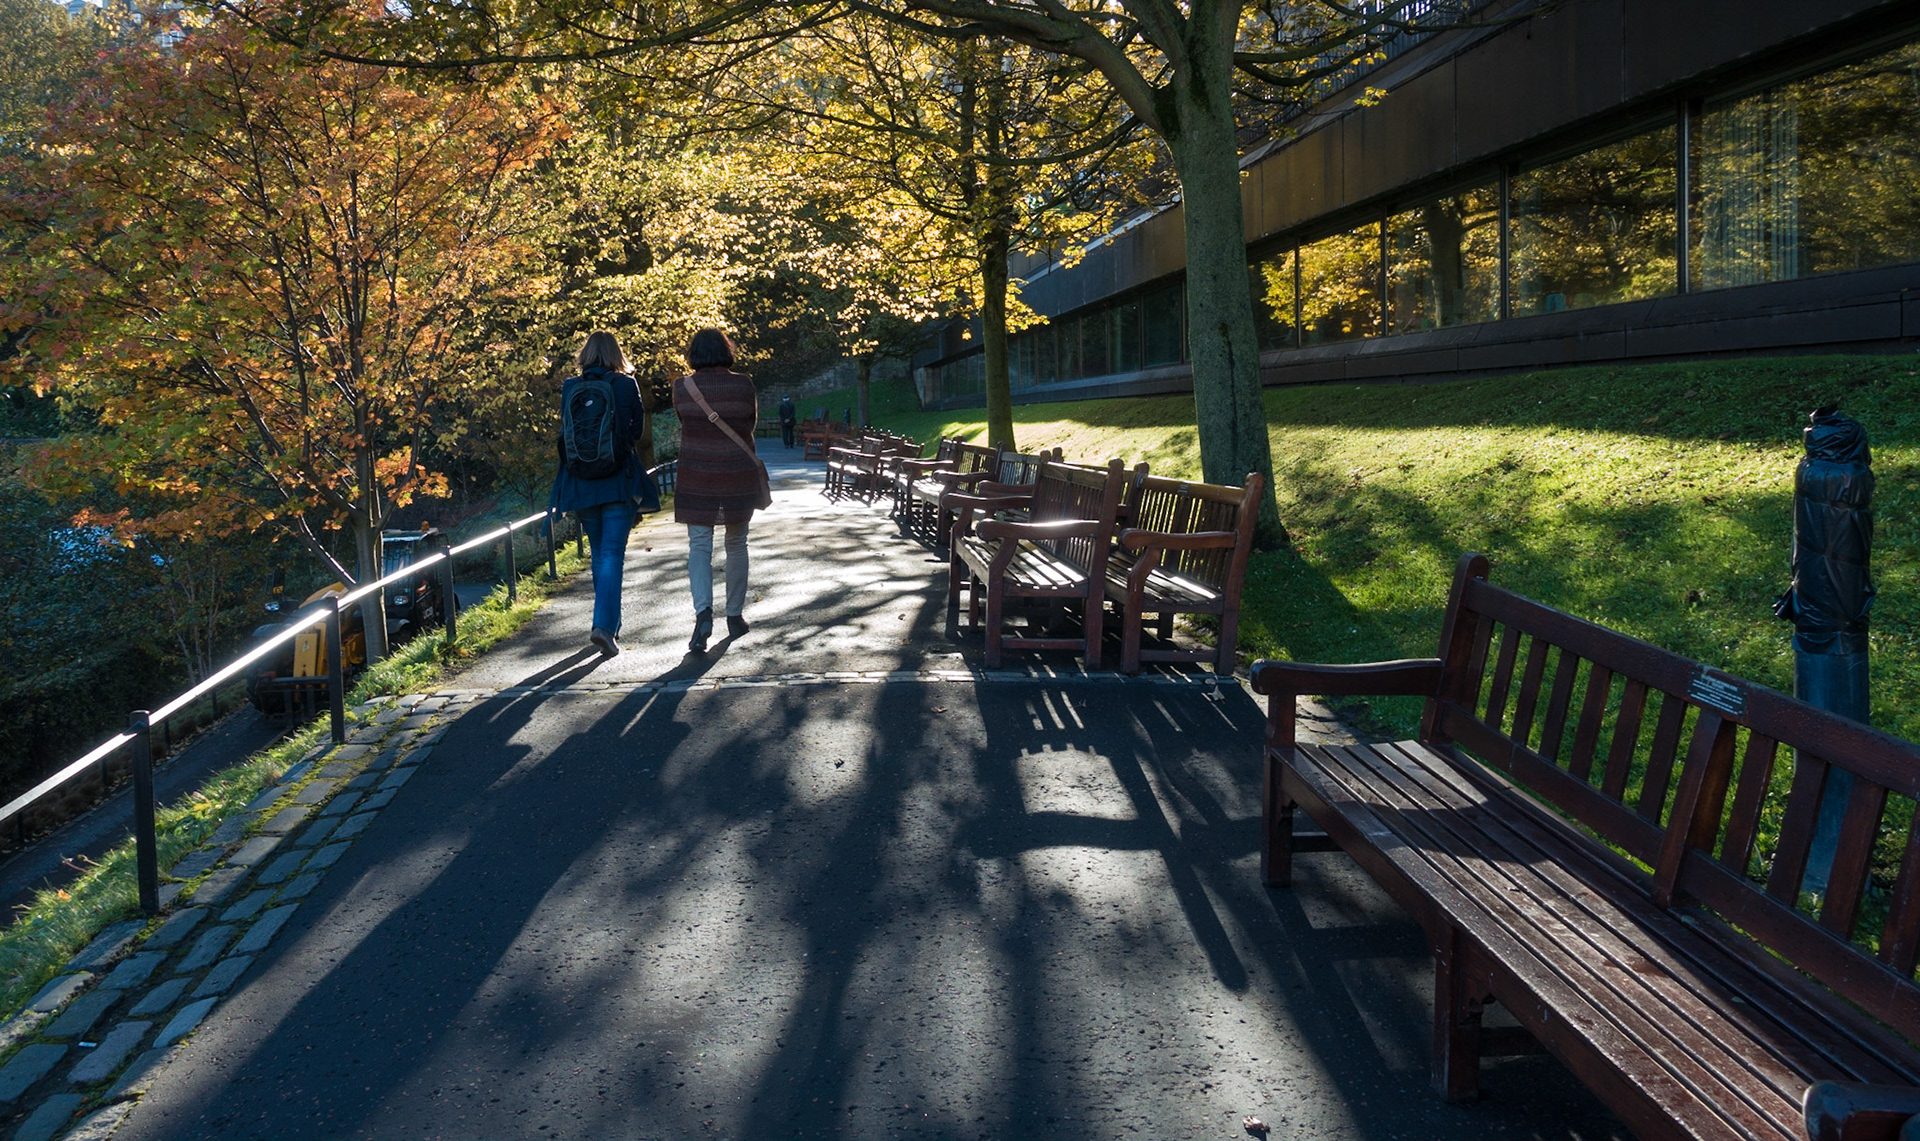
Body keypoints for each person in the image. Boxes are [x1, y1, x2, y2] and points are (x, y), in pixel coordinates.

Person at [549, 331, 658, 657]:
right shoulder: (625, 384)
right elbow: (636, 432)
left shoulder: (570, 387)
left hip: (581, 482)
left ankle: (607, 623)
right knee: (612, 554)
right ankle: (604, 627)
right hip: (618, 479)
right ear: (615, 354)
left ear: (585, 354)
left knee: (599, 554)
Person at [672, 328, 763, 653]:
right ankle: (735, 615)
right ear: (727, 351)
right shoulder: (743, 384)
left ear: (694, 353)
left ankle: (703, 614)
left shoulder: (682, 386)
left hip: (697, 473)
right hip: (736, 473)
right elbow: (749, 424)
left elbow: (685, 420)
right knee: (737, 543)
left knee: (699, 546)